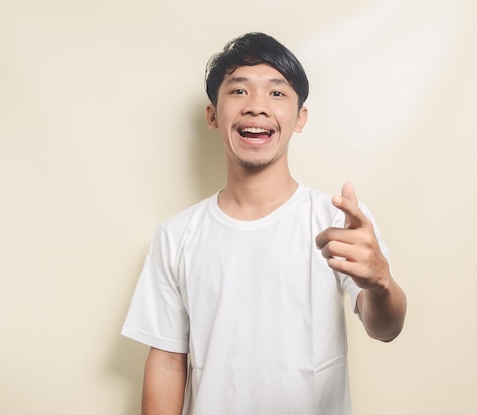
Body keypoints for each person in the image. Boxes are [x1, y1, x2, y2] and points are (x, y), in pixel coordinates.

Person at [122, 32, 407, 415]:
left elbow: (385, 328)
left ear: (300, 117)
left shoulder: (337, 220)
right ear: (212, 114)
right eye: (239, 91)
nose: (257, 106)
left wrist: (381, 283)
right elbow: (167, 361)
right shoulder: (176, 235)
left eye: (277, 93)